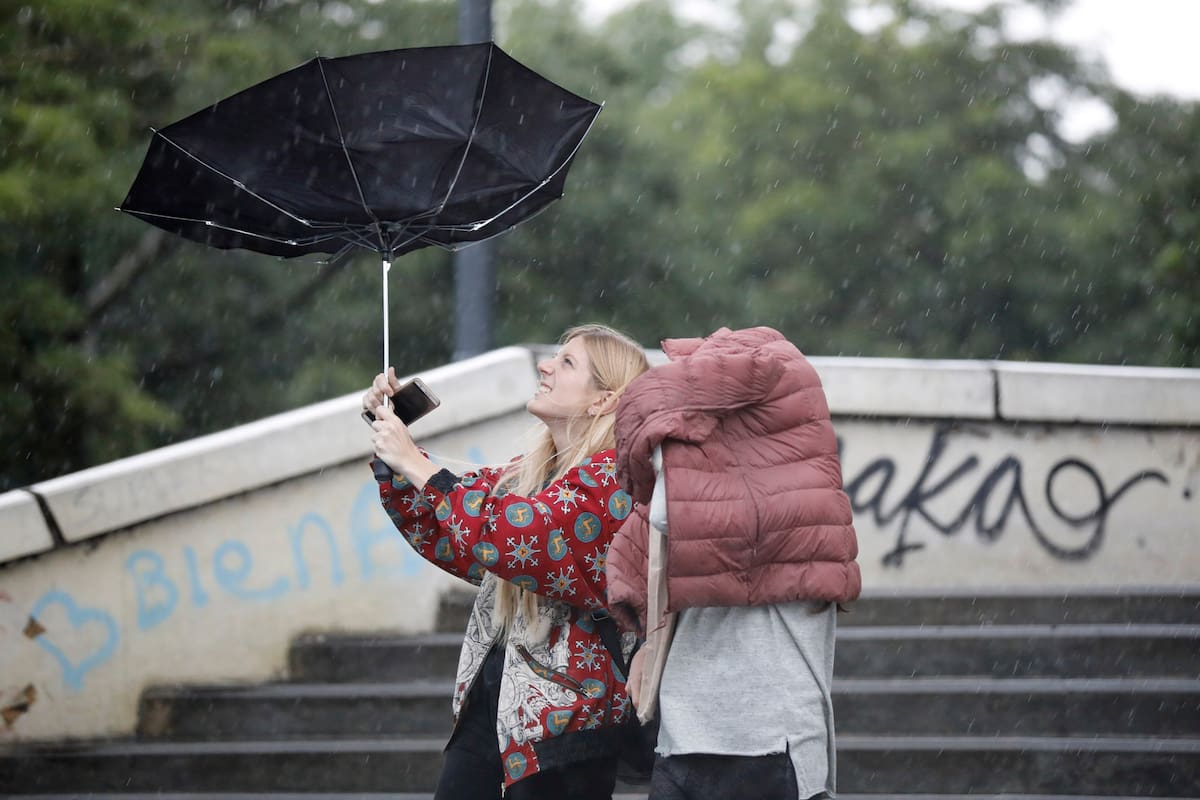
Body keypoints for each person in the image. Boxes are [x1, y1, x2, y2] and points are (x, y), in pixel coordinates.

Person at [364, 324, 650, 800]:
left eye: (567, 363)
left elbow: (522, 537)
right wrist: (390, 436)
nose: (546, 366)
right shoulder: (533, 472)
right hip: (492, 707)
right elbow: (450, 531)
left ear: (603, 400)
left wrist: (414, 461)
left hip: (565, 726)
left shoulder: (615, 479)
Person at [605, 325, 862, 800]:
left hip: (768, 745)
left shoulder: (793, 500)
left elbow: (669, 515)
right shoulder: (721, 485)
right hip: (686, 741)